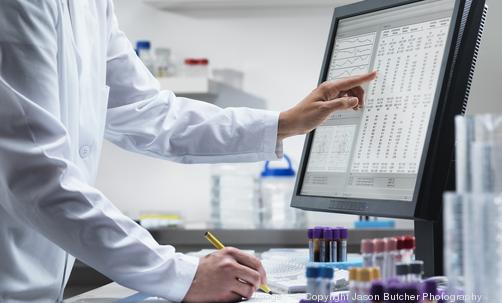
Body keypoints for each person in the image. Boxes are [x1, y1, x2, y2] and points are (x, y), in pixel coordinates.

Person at [0, 1, 377, 302]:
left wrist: (285, 123)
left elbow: (150, 112)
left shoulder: (94, 7)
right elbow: (35, 174)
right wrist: (184, 275)